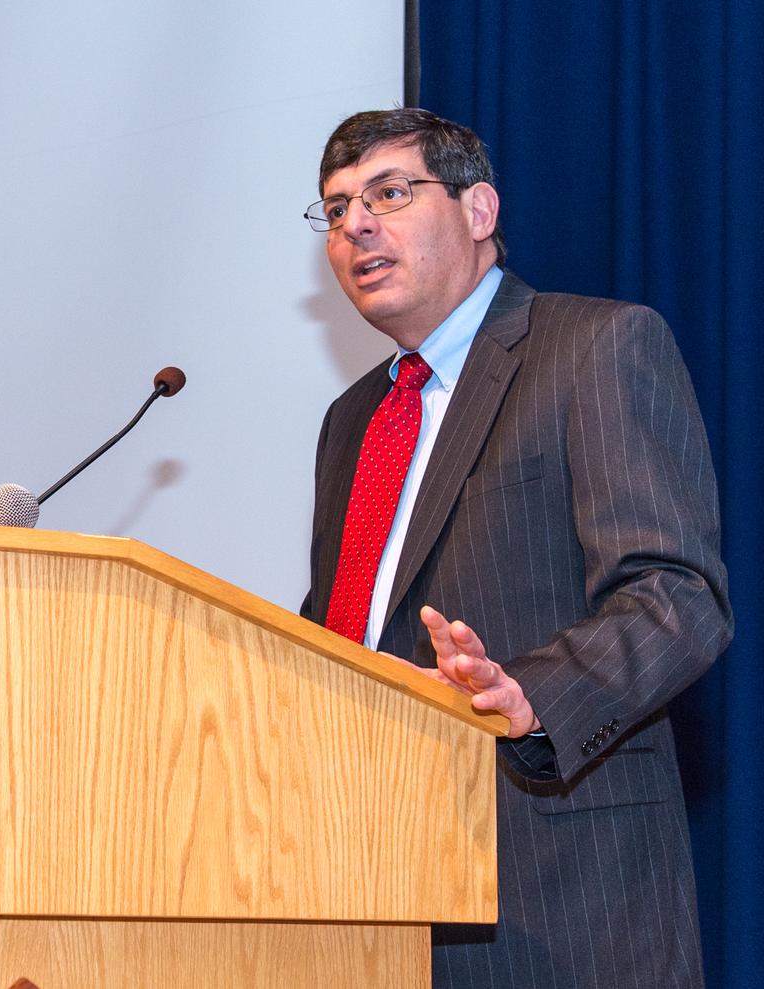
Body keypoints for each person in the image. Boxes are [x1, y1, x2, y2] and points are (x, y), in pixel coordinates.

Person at [299, 108, 731, 989]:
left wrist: (526, 693)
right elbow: (346, 628)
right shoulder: (353, 421)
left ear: (479, 210)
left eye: (388, 193)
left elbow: (677, 595)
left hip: (557, 895)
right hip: (374, 893)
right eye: (336, 209)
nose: (356, 226)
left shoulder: (596, 348)